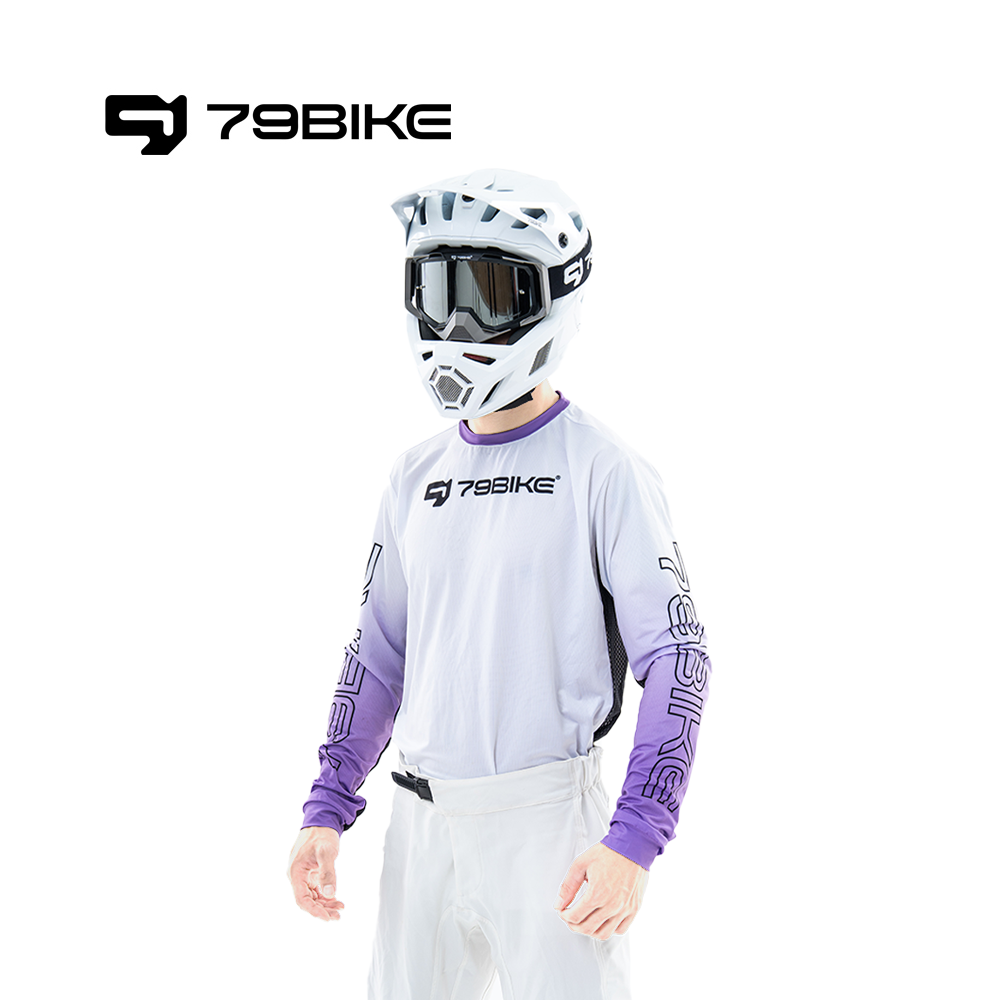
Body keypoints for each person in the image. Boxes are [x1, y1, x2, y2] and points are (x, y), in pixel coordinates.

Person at [287, 168, 712, 999]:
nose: (457, 324)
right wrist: (325, 807)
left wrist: (635, 841)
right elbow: (378, 658)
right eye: (438, 291)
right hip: (420, 824)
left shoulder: (604, 470)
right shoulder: (413, 477)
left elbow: (678, 657)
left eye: (487, 293)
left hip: (547, 828)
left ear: (551, 295)